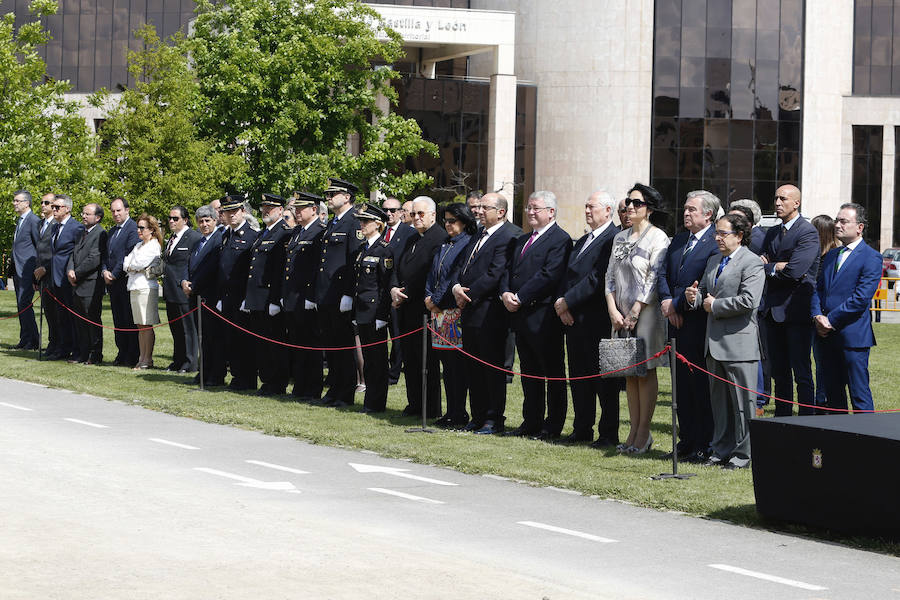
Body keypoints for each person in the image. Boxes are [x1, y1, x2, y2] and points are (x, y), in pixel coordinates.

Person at [685, 213, 764, 469]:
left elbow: (749, 301)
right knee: (720, 405)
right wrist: (693, 298)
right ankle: (720, 451)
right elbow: (707, 296)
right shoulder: (714, 261)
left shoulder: (751, 263)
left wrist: (715, 305)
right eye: (716, 233)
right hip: (714, 345)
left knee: (743, 405)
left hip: (739, 346)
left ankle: (744, 456)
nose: (717, 238)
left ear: (739, 235)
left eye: (723, 233)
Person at [500, 191, 572, 441]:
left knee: (552, 373)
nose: (530, 212)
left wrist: (519, 297)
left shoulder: (560, 239)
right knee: (529, 373)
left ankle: (552, 426)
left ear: (551, 212)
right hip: (520, 315)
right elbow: (509, 272)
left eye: (536, 208)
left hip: (544, 317)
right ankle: (531, 421)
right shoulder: (522, 240)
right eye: (528, 208)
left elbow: (549, 275)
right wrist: (506, 293)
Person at [605, 183, 670, 454]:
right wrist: (613, 309)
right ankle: (632, 431)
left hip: (647, 314)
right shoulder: (619, 238)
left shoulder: (658, 238)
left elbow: (654, 278)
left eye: (637, 203)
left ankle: (644, 432)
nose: (630, 208)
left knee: (645, 371)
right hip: (619, 314)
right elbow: (609, 276)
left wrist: (634, 311)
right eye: (628, 203)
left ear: (649, 209)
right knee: (629, 374)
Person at [554, 189, 621, 447]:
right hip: (574, 320)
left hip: (597, 318)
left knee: (603, 381)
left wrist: (567, 300)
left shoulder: (612, 239)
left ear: (607, 210)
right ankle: (582, 428)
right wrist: (563, 304)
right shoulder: (582, 241)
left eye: (592, 206)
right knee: (579, 377)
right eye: (586, 206)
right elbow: (568, 275)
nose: (587, 210)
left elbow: (598, 277)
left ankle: (608, 433)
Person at [657, 190, 721, 464]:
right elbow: (662, 273)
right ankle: (686, 439)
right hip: (675, 322)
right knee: (680, 386)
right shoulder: (680, 239)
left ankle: (704, 442)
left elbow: (704, 282)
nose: (686, 213)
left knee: (699, 385)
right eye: (685, 208)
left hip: (697, 322)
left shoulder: (714, 242)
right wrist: (666, 300)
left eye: (692, 209)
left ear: (708, 214)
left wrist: (678, 304)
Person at [451, 192, 518, 434]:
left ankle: (493, 418)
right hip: (470, 310)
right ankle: (477, 415)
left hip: (490, 312)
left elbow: (495, 273)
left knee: (491, 368)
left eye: (484, 207)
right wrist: (456, 287)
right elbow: (463, 265)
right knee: (473, 367)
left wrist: (467, 294)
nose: (478, 211)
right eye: (477, 207)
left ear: (500, 212)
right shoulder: (478, 234)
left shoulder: (510, 235)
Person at [811, 203, 882, 413]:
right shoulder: (832, 255)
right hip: (826, 338)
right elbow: (818, 290)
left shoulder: (871, 257)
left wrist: (829, 320)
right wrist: (816, 315)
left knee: (859, 394)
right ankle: (838, 442)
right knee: (833, 396)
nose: (837, 225)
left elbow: (861, 298)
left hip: (852, 338)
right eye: (837, 220)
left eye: (843, 221)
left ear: (859, 227)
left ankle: (867, 442)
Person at [759, 184, 820, 416]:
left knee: (801, 372)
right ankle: (782, 417)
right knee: (779, 372)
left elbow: (796, 271)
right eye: (775, 198)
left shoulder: (807, 232)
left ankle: (806, 419)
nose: (777, 202)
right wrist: (776, 266)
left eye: (783, 198)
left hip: (796, 311)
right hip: (772, 311)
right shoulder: (773, 232)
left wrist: (770, 266)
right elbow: (759, 264)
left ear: (796, 203)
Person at [390, 196, 446, 418]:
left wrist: (405, 293)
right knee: (410, 359)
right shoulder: (411, 238)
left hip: (424, 309)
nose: (416, 218)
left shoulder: (439, 238)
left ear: (433, 214)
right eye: (413, 214)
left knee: (427, 362)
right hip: (405, 306)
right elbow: (397, 265)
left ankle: (430, 407)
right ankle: (414, 402)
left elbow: (428, 274)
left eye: (421, 214)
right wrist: (394, 289)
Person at [425, 202, 476, 428]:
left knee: (457, 366)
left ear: (464, 222)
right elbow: (433, 274)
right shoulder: (444, 244)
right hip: (438, 313)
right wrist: (428, 298)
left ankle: (459, 412)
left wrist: (436, 301)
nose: (447, 225)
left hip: (452, 311)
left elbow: (451, 279)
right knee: (446, 364)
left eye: (452, 221)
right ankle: (450, 411)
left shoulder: (466, 244)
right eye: (445, 220)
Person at [314, 178, 361, 407]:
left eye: (333, 194)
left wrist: (348, 293)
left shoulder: (354, 222)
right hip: (326, 294)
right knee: (331, 346)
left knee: (344, 347)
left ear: (347, 196)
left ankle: (345, 392)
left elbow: (353, 261)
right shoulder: (333, 222)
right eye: (328, 194)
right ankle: (334, 389)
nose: (329, 198)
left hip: (340, 294)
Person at [244, 193, 292, 395]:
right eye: (263, 207)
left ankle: (277, 382)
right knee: (261, 343)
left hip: (270, 298)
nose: (265, 211)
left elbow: (280, 270)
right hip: (256, 298)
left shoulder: (284, 233)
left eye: (270, 208)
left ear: (280, 210)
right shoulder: (263, 233)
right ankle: (266, 380)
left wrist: (275, 299)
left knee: (274, 343)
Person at [281, 192, 326, 400]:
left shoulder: (319, 231)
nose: (296, 212)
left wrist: (311, 295)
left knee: (311, 345)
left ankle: (312, 388)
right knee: (297, 344)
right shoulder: (298, 231)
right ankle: (300, 385)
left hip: (306, 297)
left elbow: (318, 268)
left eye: (301, 209)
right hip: (293, 297)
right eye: (295, 209)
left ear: (314, 210)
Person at [728, 199, 770, 416]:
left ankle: (759, 398)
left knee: (755, 352)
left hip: (752, 306)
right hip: (729, 308)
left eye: (738, 219)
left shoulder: (758, 241)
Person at [352, 203, 394, 413]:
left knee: (377, 360)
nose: (362, 224)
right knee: (368, 359)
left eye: (366, 221)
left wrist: (382, 314)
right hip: (362, 311)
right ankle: (370, 400)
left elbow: (386, 286)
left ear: (378, 224)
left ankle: (377, 403)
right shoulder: (363, 249)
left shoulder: (383, 250)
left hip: (375, 312)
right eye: (361, 220)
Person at [217, 195, 259, 390]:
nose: (231, 215)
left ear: (243, 211)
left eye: (235, 211)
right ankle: (236, 376)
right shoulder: (227, 235)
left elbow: (251, 270)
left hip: (241, 296)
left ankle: (247, 378)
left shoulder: (252, 235)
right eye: (228, 211)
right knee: (230, 339)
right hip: (227, 296)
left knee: (244, 341)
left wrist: (247, 297)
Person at [181, 204, 225, 386]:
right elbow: (188, 264)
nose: (204, 224)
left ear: (215, 220)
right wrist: (183, 281)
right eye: (201, 221)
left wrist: (195, 285)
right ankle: (203, 373)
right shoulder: (198, 241)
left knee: (214, 338)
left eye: (207, 220)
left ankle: (216, 375)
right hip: (195, 295)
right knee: (202, 337)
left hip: (209, 295)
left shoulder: (218, 240)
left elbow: (211, 267)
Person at [66, 203, 107, 364]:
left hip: (90, 285)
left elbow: (94, 258)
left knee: (92, 321)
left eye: (87, 214)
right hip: (76, 284)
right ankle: (82, 353)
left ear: (97, 217)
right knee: (80, 322)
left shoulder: (100, 233)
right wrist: (70, 270)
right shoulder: (81, 233)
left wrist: (77, 273)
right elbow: (73, 254)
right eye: (83, 213)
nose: (83, 216)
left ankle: (95, 354)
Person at [162, 205, 201, 373]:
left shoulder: (193, 237)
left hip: (183, 290)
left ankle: (190, 362)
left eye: (175, 218)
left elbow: (194, 262)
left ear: (185, 220)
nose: (171, 221)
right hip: (170, 290)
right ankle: (178, 360)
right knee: (176, 329)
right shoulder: (172, 237)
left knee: (187, 330)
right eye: (170, 218)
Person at [381, 195, 415, 384]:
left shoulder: (409, 233)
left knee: (397, 334)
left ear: (401, 213)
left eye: (392, 210)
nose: (388, 214)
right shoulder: (379, 230)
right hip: (380, 290)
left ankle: (394, 373)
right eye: (385, 210)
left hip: (397, 290)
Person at [47, 194, 85, 361]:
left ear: (67, 209)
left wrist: (72, 271)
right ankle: (63, 348)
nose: (53, 209)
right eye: (53, 207)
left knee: (72, 316)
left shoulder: (76, 228)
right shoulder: (55, 227)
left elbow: (76, 253)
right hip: (54, 277)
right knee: (60, 316)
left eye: (57, 207)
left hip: (68, 278)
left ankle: (77, 349)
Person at [103, 198, 140, 366]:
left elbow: (128, 253)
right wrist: (104, 270)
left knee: (128, 320)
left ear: (127, 210)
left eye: (118, 210)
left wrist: (114, 273)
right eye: (113, 211)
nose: (116, 214)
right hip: (112, 283)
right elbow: (106, 254)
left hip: (125, 281)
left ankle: (132, 355)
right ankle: (121, 353)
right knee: (118, 320)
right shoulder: (112, 231)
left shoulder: (133, 229)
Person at [123, 214, 163, 370]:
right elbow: (126, 262)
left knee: (146, 324)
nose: (139, 230)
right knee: (140, 325)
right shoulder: (138, 245)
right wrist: (132, 266)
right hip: (134, 285)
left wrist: (132, 266)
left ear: (151, 230)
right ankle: (142, 357)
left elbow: (138, 263)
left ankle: (148, 358)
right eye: (138, 227)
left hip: (146, 287)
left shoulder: (154, 245)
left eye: (142, 228)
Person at [811, 214, 840, 412]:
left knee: (824, 365)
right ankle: (822, 401)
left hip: (827, 318)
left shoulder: (830, 257)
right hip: (819, 316)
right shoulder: (821, 256)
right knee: (822, 364)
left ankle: (822, 401)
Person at [10, 190, 40, 350]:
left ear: (26, 203)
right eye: (14, 201)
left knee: (24, 303)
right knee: (21, 305)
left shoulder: (33, 221)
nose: (14, 203)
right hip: (17, 269)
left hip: (28, 270)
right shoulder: (20, 221)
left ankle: (34, 340)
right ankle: (25, 338)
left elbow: (38, 247)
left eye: (17, 201)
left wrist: (36, 273)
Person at [32, 193, 58, 355]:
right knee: (48, 312)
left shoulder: (56, 224)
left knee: (56, 313)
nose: (43, 205)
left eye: (47, 202)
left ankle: (59, 344)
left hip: (53, 273)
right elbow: (38, 251)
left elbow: (57, 252)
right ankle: (52, 343)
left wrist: (46, 268)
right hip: (40, 275)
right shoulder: (40, 224)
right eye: (41, 202)